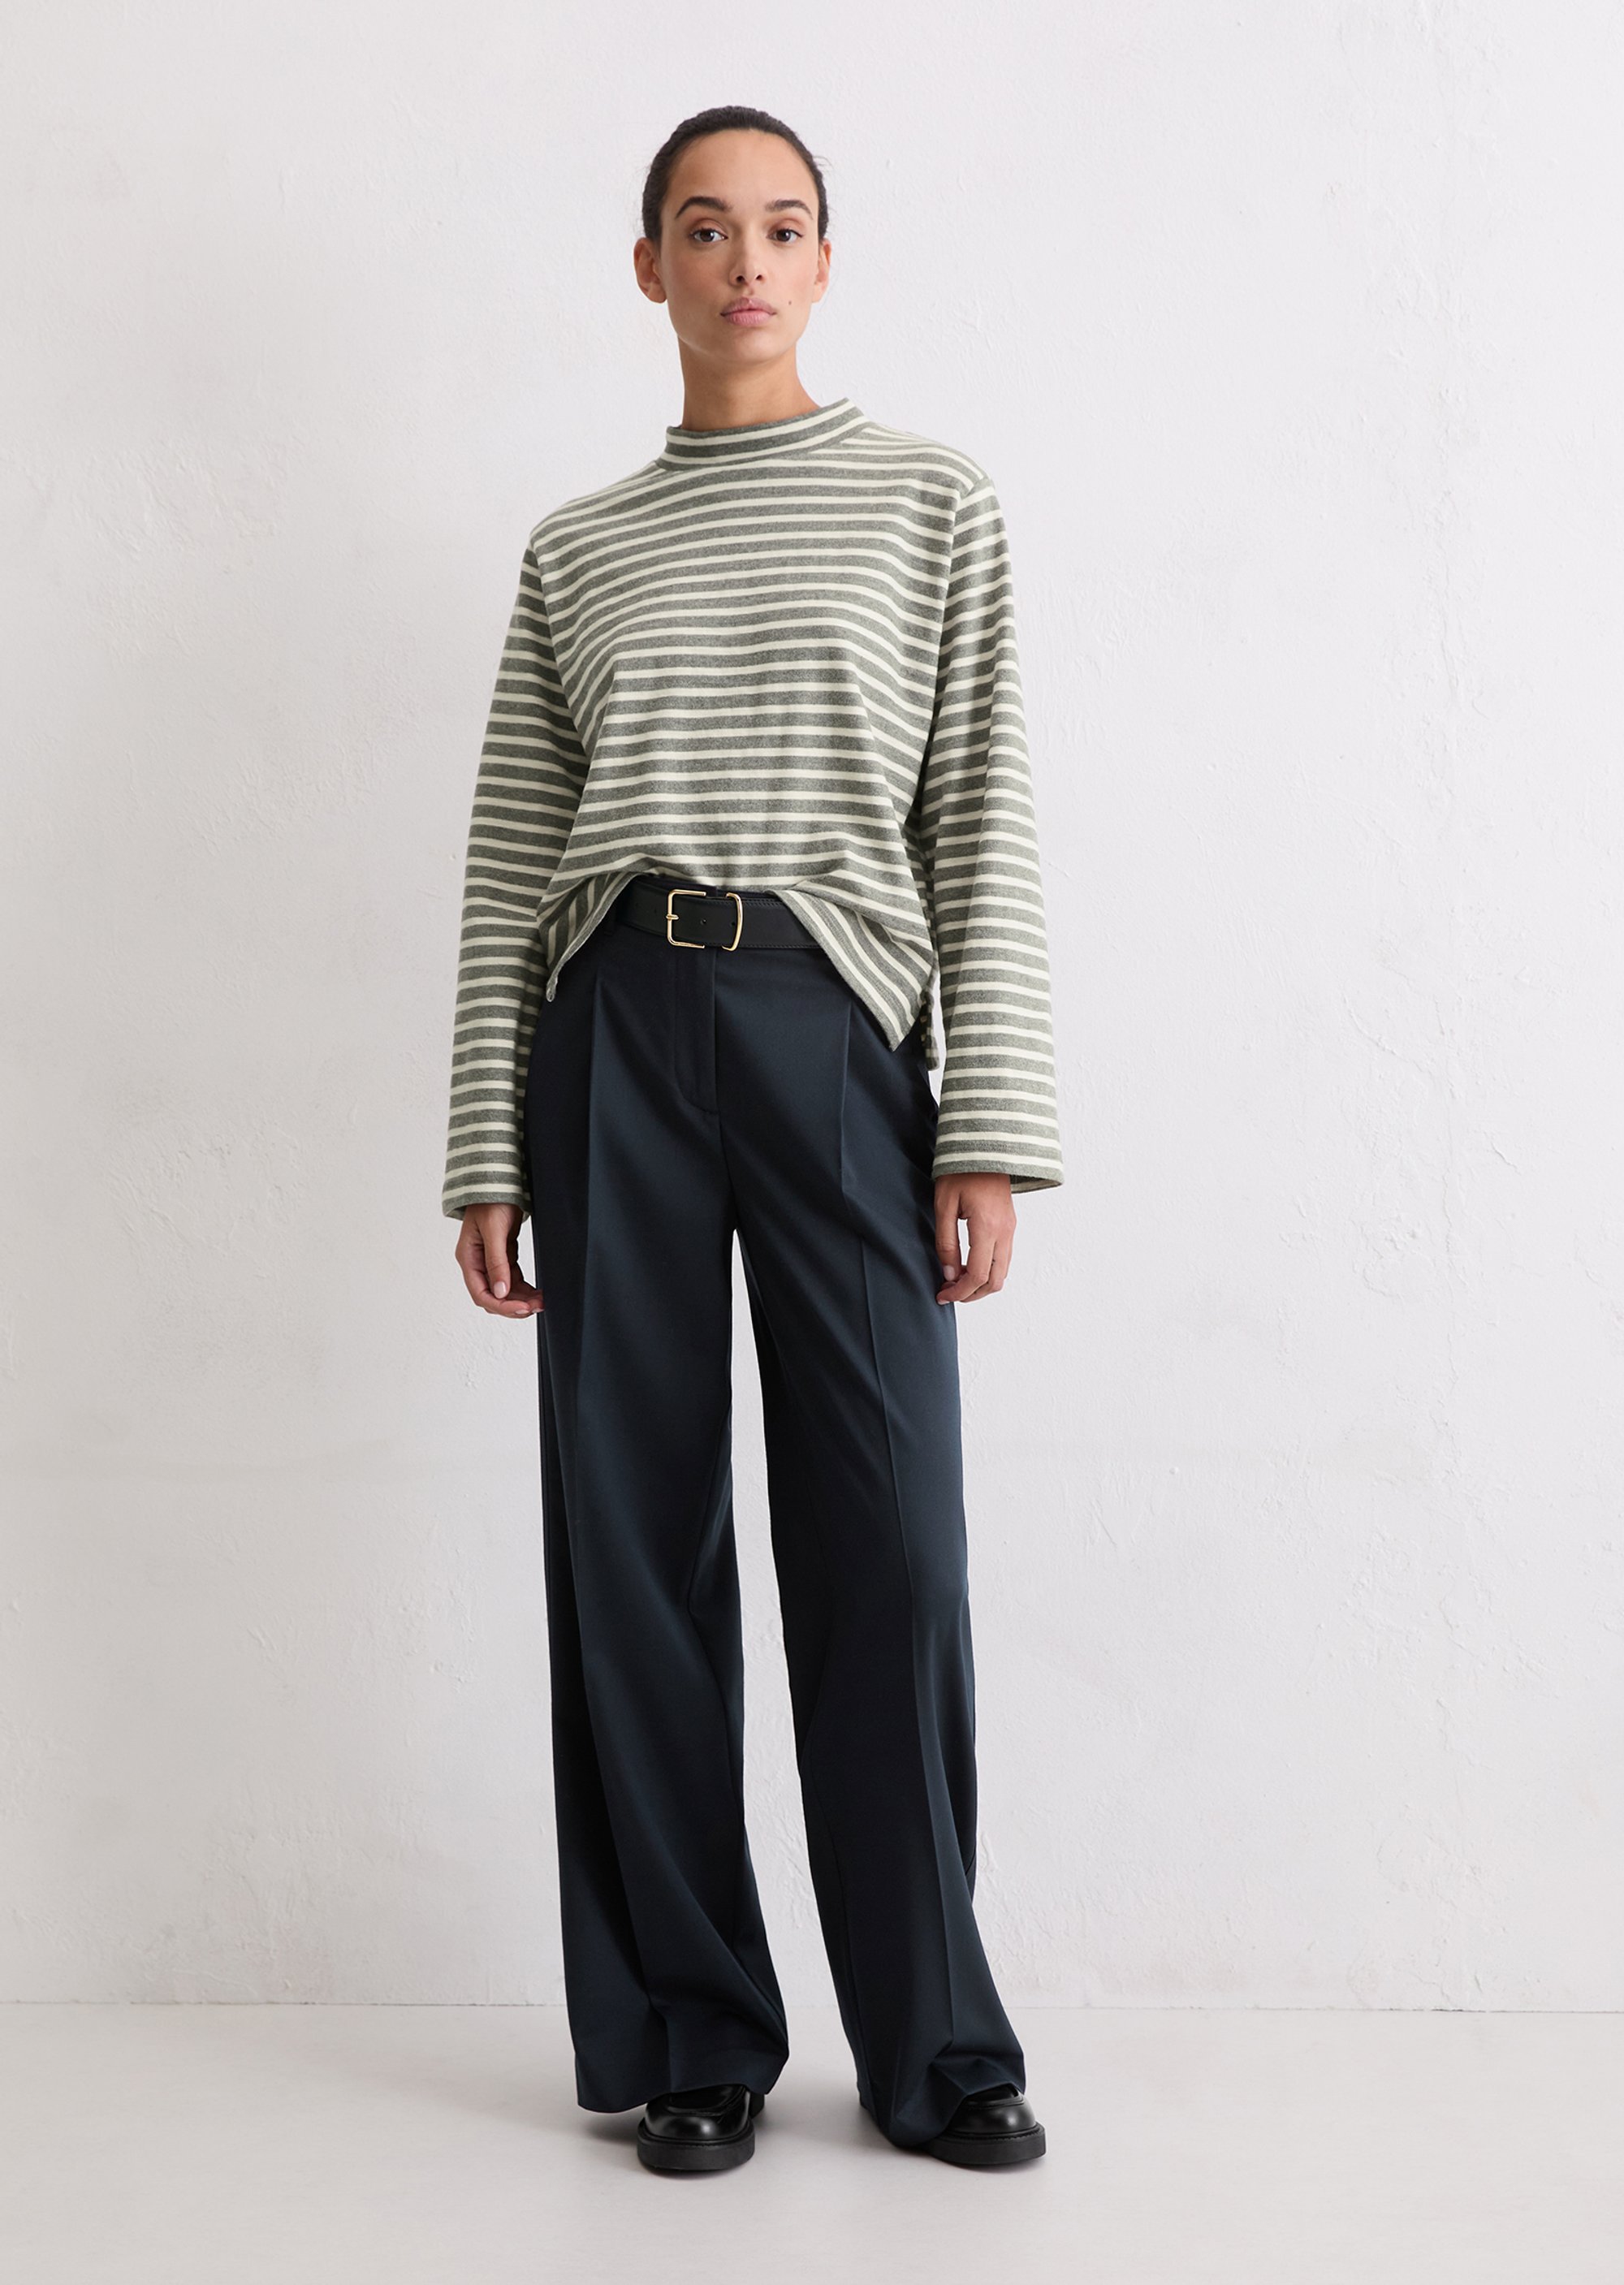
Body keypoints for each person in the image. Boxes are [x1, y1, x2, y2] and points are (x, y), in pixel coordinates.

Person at [441, 104, 1064, 2175]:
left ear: (824, 259)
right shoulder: (579, 548)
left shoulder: (927, 503)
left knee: (890, 1544)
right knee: (632, 1546)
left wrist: (988, 1125)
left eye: (781, 227)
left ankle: (935, 2044)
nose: (744, 263)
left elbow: (978, 821)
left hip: (834, 1029)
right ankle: (690, 2031)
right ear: (649, 267)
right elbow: (510, 862)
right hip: (612, 1028)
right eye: (703, 230)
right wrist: (485, 1143)